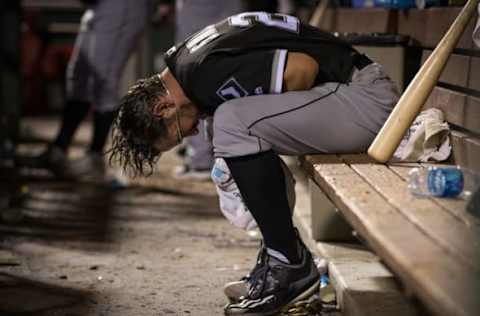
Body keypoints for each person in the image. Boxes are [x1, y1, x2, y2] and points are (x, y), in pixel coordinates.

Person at [109, 11, 399, 315]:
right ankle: (281, 255)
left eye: (180, 132)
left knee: (232, 123)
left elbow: (302, 69)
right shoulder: (184, 62)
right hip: (351, 91)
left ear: (163, 106)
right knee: (229, 126)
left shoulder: (202, 73)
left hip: (364, 100)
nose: (191, 131)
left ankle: (290, 263)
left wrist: (263, 124)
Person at [28, 0, 150, 180]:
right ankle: (59, 149)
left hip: (122, 6)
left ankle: (94, 158)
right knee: (78, 76)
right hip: (97, 7)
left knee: (104, 78)